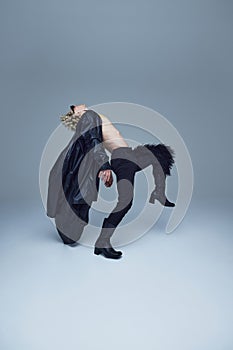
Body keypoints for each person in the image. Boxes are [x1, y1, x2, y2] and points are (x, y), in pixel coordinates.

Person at [47, 104, 175, 260]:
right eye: (74, 108)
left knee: (161, 154)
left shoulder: (94, 116)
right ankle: (103, 242)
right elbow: (94, 142)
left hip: (131, 155)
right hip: (122, 159)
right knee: (126, 202)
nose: (76, 105)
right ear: (77, 113)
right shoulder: (89, 116)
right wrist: (104, 166)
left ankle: (158, 193)